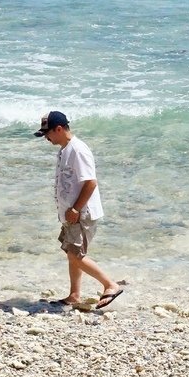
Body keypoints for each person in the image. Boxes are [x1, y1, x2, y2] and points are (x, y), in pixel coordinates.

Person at [34, 111, 123, 309]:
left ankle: (110, 285)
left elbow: (90, 183)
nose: (46, 138)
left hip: (81, 214)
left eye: (47, 134)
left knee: (76, 254)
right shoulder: (64, 149)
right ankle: (74, 295)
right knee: (71, 253)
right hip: (72, 214)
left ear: (59, 129)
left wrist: (75, 209)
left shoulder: (78, 150)